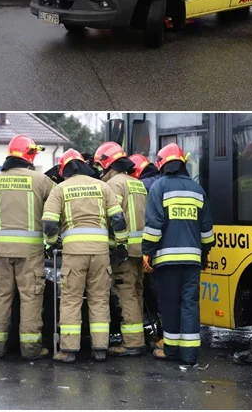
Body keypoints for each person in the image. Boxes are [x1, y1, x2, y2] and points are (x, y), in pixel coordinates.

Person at [44, 149, 127, 364]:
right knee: (99, 300)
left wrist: (51, 243)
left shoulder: (60, 189)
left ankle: (69, 350)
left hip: (74, 255)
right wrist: (120, 243)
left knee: (71, 300)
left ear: (64, 170)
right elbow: (118, 219)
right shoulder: (102, 187)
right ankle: (100, 349)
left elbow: (50, 223)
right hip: (101, 254)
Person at [0, 135, 55, 360]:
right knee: (31, 299)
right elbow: (54, 211)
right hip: (31, 254)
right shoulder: (41, 180)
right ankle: (31, 350)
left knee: (1, 299)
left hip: (2, 253)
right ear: (30, 155)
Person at [142, 143, 214, 365]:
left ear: (162, 164)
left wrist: (147, 252)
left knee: (170, 304)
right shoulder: (197, 190)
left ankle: (171, 351)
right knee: (190, 303)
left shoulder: (159, 188)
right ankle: (190, 355)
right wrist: (204, 254)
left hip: (166, 261)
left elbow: (154, 226)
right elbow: (207, 230)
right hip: (192, 260)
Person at [94, 142, 149, 357]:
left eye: (100, 167)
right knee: (137, 293)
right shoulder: (137, 183)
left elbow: (112, 218)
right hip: (140, 249)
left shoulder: (114, 185)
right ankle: (138, 338)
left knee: (126, 295)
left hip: (123, 250)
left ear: (108, 164)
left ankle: (133, 343)